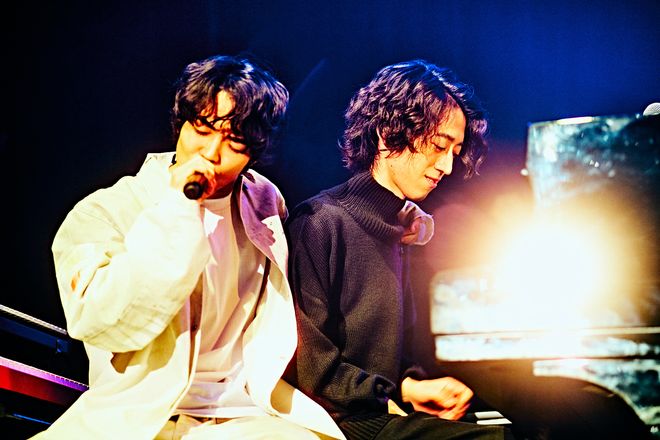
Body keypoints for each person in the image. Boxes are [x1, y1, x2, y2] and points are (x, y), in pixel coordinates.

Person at [32, 54, 345, 440]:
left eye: (234, 141)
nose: (211, 152)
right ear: (181, 122)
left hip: (242, 411)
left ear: (255, 151)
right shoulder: (106, 211)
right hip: (143, 413)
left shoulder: (265, 203)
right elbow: (98, 321)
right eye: (202, 128)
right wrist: (177, 208)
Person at [284, 60, 510, 439]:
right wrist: (385, 397)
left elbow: (382, 356)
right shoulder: (319, 222)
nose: (448, 166)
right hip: (340, 423)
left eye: (454, 151)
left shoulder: (399, 229)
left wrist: (411, 387)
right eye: (439, 146)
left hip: (378, 413)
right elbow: (310, 367)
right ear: (388, 134)